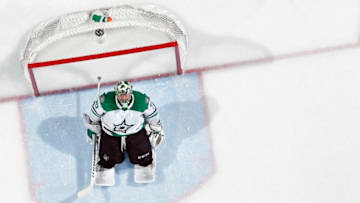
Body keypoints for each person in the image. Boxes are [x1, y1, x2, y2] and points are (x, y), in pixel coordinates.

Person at [83, 80, 165, 185]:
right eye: (121, 95)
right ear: (116, 94)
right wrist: (92, 130)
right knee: (109, 160)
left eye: (126, 95)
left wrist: (156, 129)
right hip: (111, 133)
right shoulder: (104, 102)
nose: (124, 98)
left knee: (143, 158)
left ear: (131, 92)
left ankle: (142, 160)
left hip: (136, 132)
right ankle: (108, 162)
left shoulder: (141, 101)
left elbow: (153, 116)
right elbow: (93, 118)